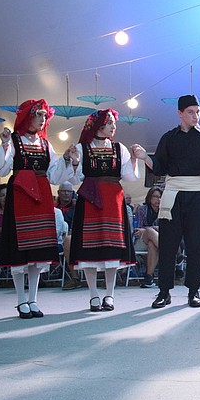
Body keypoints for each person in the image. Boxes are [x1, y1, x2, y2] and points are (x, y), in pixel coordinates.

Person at [140, 95, 200, 309]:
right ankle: (163, 292)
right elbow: (159, 167)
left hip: (198, 194)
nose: (195, 116)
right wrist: (144, 157)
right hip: (173, 194)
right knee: (168, 244)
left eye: (198, 112)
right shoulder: (169, 138)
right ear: (179, 113)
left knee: (197, 244)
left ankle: (194, 291)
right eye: (190, 112)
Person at [0, 99, 71, 318]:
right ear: (28, 116)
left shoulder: (46, 144)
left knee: (37, 252)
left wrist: (65, 159)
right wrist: (5, 145)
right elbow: (0, 169)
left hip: (42, 196)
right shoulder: (15, 140)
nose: (43, 119)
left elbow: (54, 176)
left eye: (45, 116)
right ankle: (20, 300)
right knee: (21, 252)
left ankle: (33, 299)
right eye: (39, 115)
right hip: (20, 196)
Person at [67, 108, 143, 312]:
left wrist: (134, 159)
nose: (113, 126)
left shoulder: (120, 148)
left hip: (113, 201)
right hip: (90, 199)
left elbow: (128, 176)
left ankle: (109, 295)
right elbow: (75, 179)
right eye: (110, 123)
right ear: (98, 125)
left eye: (113, 123)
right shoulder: (83, 148)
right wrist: (74, 163)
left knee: (112, 250)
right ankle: (93, 295)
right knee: (90, 249)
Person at [134, 186, 161, 288]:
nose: (158, 199)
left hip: (154, 242)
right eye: (155, 196)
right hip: (140, 240)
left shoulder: (164, 211)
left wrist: (148, 229)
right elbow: (139, 228)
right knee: (149, 231)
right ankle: (170, 253)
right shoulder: (142, 209)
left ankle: (149, 278)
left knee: (152, 244)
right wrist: (151, 229)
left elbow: (165, 228)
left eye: (160, 197)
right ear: (149, 198)